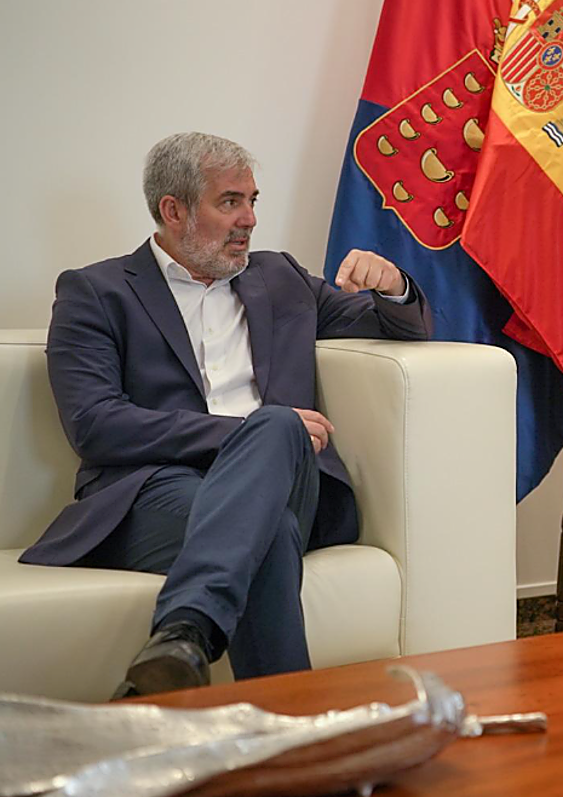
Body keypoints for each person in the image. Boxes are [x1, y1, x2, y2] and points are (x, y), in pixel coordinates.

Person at [20, 132, 433, 698]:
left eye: (253, 201)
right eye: (230, 202)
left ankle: (184, 632)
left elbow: (403, 330)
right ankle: (283, 723)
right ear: (174, 210)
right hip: (157, 493)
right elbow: (95, 424)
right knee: (271, 516)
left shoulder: (282, 278)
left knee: (278, 428)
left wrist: (395, 285)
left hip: (293, 480)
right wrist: (242, 434)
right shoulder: (96, 292)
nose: (250, 220)